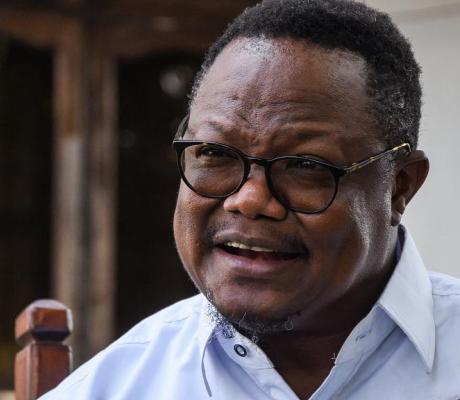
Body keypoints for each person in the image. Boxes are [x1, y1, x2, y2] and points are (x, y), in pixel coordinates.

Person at [41, 0, 460, 399]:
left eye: (305, 165)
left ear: (400, 186)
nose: (251, 199)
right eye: (215, 154)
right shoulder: (113, 389)